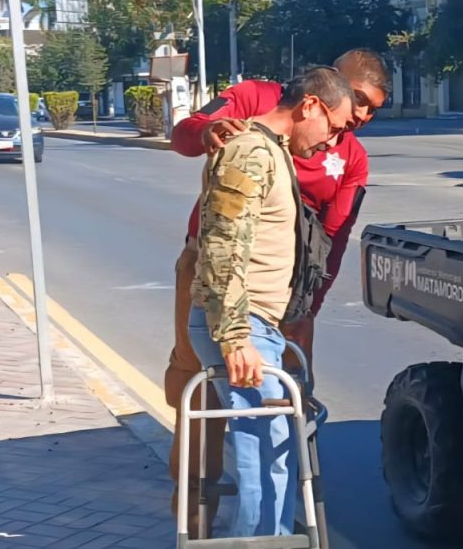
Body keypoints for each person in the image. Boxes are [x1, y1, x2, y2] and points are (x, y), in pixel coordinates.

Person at [166, 49, 390, 536]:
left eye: (370, 112)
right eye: (352, 108)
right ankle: (214, 528)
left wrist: (306, 311)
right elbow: (224, 244)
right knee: (243, 440)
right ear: (316, 99)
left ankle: (263, 537)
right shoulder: (253, 130)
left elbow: (332, 241)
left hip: (269, 310)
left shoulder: (322, 150)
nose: (353, 125)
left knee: (274, 445)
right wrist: (234, 335)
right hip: (234, 311)